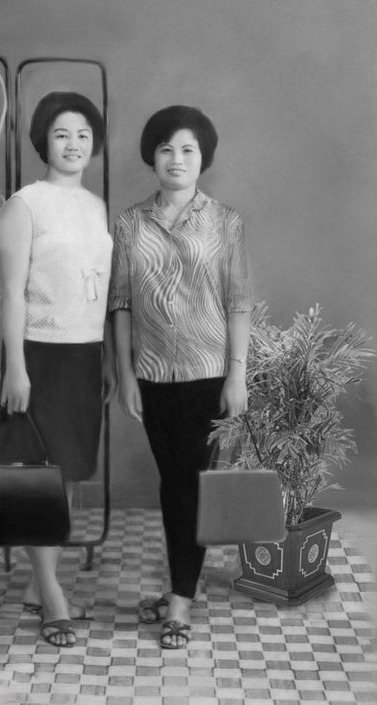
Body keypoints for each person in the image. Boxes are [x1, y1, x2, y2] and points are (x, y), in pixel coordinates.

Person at [109, 105, 252, 649]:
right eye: (166, 148)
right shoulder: (129, 223)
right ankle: (180, 587)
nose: (176, 158)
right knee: (173, 484)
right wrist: (125, 374)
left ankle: (180, 602)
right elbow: (120, 303)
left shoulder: (225, 221)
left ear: (203, 157)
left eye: (188, 149)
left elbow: (238, 302)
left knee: (190, 484)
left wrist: (237, 375)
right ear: (152, 156)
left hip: (207, 374)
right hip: (151, 375)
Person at [0, 91, 115, 647]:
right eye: (62, 134)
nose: (73, 144)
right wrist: (15, 368)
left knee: (66, 476)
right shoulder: (25, 205)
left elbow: (101, 288)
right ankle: (53, 597)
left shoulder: (96, 206)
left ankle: (35, 586)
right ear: (44, 140)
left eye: (83, 135)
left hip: (84, 355)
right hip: (38, 355)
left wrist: (105, 357)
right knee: (38, 479)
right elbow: (12, 294)